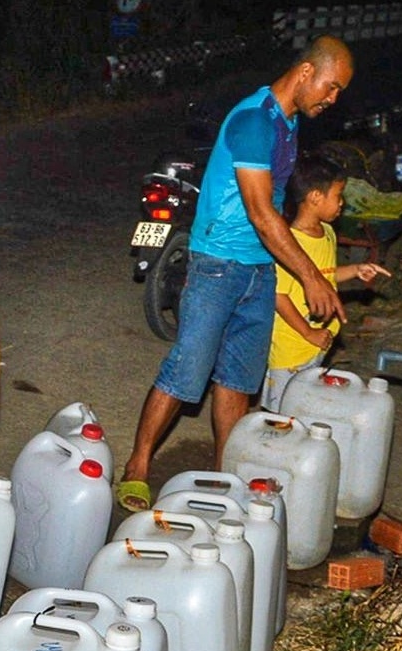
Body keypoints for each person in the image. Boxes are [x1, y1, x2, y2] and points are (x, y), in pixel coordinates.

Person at [116, 36, 354, 511]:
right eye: (331, 87)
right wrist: (310, 276)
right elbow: (263, 214)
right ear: (306, 72)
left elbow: (278, 213)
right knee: (186, 373)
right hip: (217, 265)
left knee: (238, 382)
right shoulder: (252, 122)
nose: (332, 99)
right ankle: (137, 466)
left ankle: (226, 477)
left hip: (259, 272)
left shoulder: (287, 123)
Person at [263, 153, 392, 409]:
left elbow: (325, 276)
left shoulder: (328, 233)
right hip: (292, 347)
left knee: (303, 407)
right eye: (338, 195)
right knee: (281, 412)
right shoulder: (290, 244)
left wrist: (356, 269)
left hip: (318, 342)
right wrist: (308, 332)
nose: (342, 203)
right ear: (314, 197)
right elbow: (279, 296)